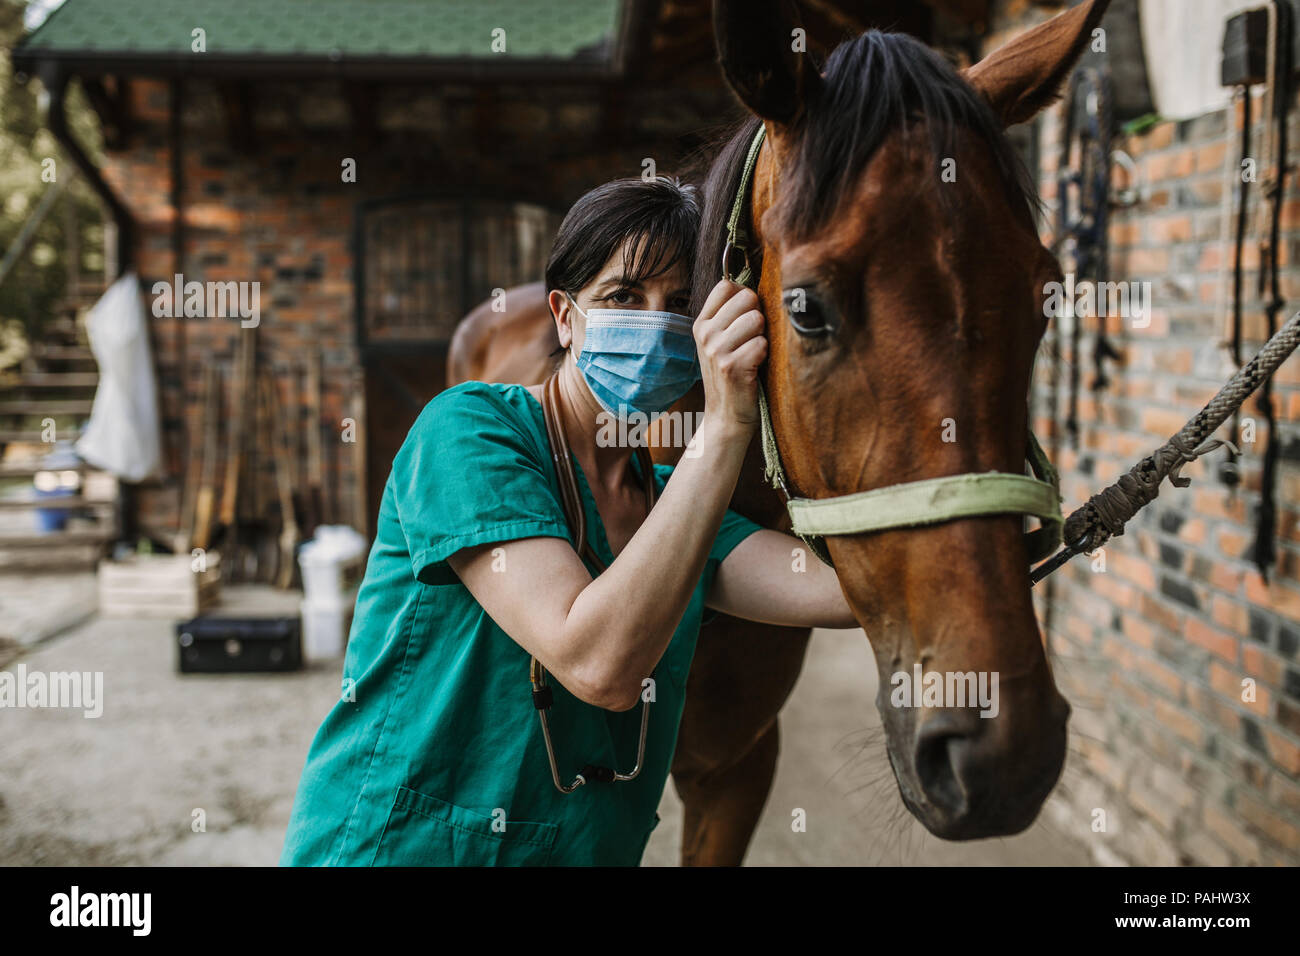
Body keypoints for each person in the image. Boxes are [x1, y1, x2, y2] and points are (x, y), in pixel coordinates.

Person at [280, 176, 856, 866]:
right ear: (564, 316)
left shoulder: (672, 505)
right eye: (622, 297)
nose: (654, 323)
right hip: (404, 848)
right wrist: (726, 428)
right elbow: (600, 663)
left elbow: (848, 592)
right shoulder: (468, 433)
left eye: (680, 305)